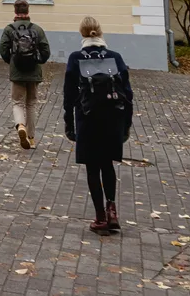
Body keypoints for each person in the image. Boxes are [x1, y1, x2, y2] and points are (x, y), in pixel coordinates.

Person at [63, 16, 133, 234]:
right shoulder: (115, 57)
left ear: (82, 34)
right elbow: (128, 94)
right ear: (100, 32)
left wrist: (69, 123)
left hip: (88, 119)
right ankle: (112, 209)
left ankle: (100, 217)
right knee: (107, 164)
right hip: (113, 119)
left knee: (93, 167)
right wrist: (126, 125)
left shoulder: (76, 58)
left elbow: (69, 94)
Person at [0, 0, 51, 149]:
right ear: (28, 11)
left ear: (15, 11)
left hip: (17, 72)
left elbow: (3, 50)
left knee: (17, 102)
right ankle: (31, 137)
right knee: (31, 104)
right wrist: (37, 60)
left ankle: (20, 126)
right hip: (34, 71)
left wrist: (13, 61)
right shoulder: (37, 29)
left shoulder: (9, 29)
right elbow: (46, 51)